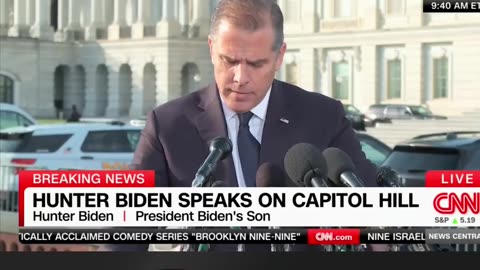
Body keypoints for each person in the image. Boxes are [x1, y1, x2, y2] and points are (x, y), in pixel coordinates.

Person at [102, 0, 378, 252]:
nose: (240, 77)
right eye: (229, 60)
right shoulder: (168, 125)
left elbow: (377, 210)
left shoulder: (322, 117)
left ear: (280, 56)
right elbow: (126, 231)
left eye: (256, 64)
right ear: (212, 49)